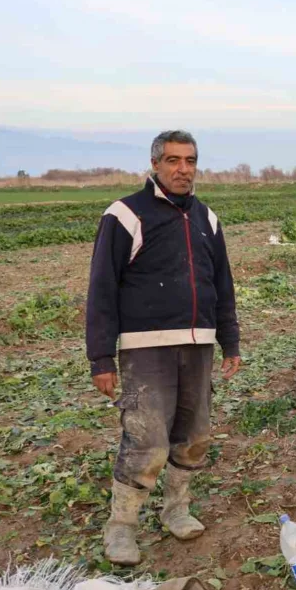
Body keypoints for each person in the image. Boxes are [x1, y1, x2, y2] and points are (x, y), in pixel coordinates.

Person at [86, 130, 242, 566]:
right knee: (147, 439)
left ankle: (176, 509)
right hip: (146, 348)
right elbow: (102, 288)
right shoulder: (125, 215)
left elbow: (222, 284)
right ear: (155, 164)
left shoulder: (207, 218)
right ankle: (121, 527)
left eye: (190, 161)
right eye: (173, 160)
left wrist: (230, 340)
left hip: (198, 344)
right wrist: (101, 356)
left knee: (195, 436)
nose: (183, 169)